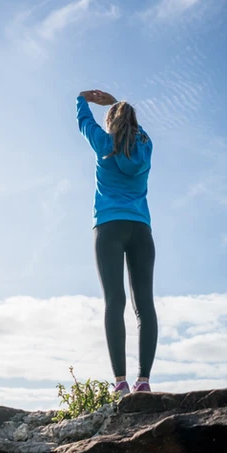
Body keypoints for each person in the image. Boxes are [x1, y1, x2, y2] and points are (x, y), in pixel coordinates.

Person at [76, 89, 158, 395]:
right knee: (144, 305)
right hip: (141, 229)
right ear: (135, 124)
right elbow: (138, 133)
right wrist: (121, 109)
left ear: (111, 123)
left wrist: (84, 99)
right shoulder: (146, 146)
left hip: (109, 227)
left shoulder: (103, 143)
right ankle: (144, 382)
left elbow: (85, 122)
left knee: (115, 301)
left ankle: (121, 383)